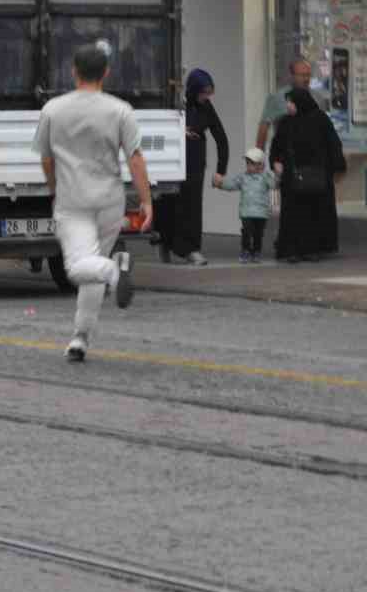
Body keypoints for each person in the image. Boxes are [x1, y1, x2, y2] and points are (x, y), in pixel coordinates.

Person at [33, 42, 153, 363]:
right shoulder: (120, 110)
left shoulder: (53, 110)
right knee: (93, 264)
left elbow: (46, 158)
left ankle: (115, 271)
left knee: (77, 268)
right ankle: (81, 337)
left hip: (73, 200)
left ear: (73, 71)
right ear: (106, 73)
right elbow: (135, 157)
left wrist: (54, 187)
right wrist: (146, 201)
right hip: (110, 200)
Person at [155, 68, 229, 266]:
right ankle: (166, 242)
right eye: (204, 92)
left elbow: (221, 137)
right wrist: (180, 131)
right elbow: (159, 126)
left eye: (208, 93)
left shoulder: (206, 108)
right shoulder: (177, 103)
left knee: (193, 206)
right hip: (173, 161)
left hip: (195, 163)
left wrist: (221, 170)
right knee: (170, 204)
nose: (206, 97)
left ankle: (192, 249)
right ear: (194, 89)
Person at [269, 88, 346, 262]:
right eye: (287, 101)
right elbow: (277, 146)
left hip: (316, 176)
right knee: (293, 214)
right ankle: (292, 250)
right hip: (292, 177)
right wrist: (275, 162)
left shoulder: (320, 120)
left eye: (291, 101)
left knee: (313, 212)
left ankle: (311, 249)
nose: (288, 105)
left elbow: (333, 144)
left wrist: (336, 167)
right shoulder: (285, 123)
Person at [214, 147, 277, 262]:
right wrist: (221, 184)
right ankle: (245, 251)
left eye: (251, 164)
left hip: (261, 213)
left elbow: (273, 185)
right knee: (246, 232)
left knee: (258, 234)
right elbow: (232, 184)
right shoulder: (243, 177)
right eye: (247, 163)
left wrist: (276, 175)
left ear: (260, 165)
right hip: (246, 212)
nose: (248, 166)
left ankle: (256, 252)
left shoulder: (265, 177)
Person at [256, 58, 317, 150]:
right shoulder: (277, 98)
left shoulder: (316, 98)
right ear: (292, 76)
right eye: (302, 75)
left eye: (308, 75)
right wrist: (259, 156)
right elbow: (264, 127)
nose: (306, 79)